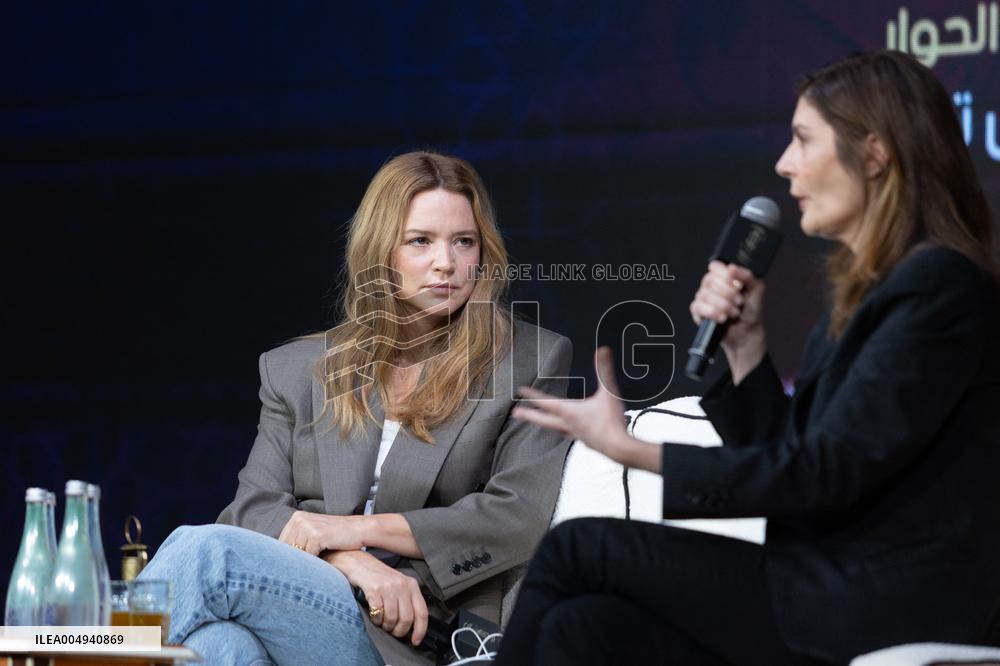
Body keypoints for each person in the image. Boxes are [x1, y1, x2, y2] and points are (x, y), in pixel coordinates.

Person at [498, 50, 1000, 665]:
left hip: (882, 598)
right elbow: (792, 452)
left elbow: (823, 473)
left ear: (874, 153)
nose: (784, 166)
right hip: (822, 584)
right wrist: (746, 349)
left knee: (577, 550)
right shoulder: (871, 291)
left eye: (802, 140)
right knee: (585, 628)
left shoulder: (939, 285)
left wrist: (632, 451)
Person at [140, 151, 573, 666]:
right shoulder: (297, 368)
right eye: (420, 241)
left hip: (409, 634)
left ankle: (70, 652)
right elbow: (251, 509)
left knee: (205, 552)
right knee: (217, 650)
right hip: (299, 604)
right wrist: (349, 560)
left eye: (464, 241)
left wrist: (356, 530)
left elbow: (516, 517)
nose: (447, 263)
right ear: (380, 254)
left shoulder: (530, 359)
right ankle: (75, 653)